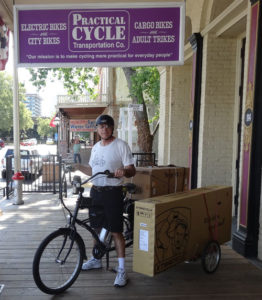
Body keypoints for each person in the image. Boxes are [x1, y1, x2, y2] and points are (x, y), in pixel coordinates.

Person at [81, 114, 136, 287]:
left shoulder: (121, 145)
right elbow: (92, 170)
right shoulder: (96, 146)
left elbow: (132, 170)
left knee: (116, 231)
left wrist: (123, 171)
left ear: (112, 128)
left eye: (107, 126)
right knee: (95, 228)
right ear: (97, 129)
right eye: (100, 126)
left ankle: (121, 271)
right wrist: (75, 166)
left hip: (113, 192)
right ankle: (95, 259)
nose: (104, 129)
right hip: (96, 192)